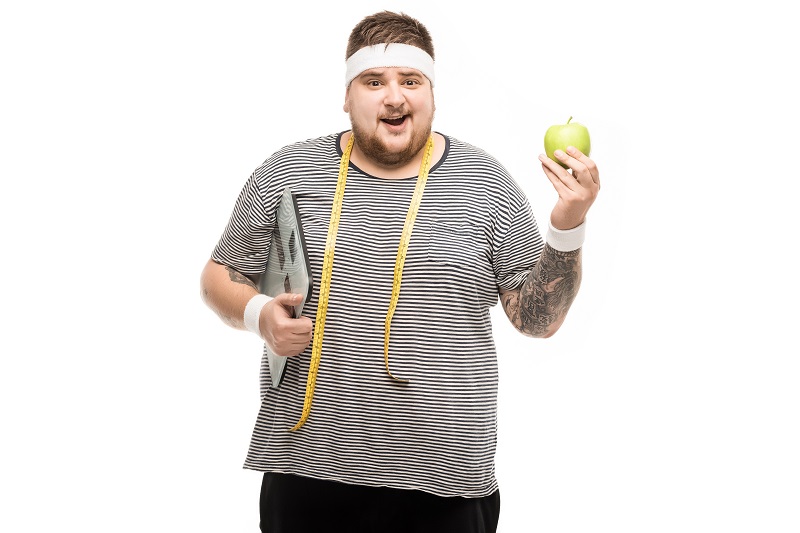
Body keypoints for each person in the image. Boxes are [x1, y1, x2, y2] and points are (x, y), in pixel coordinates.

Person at [200, 10, 600, 533]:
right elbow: (219, 276)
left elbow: (537, 320)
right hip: (306, 472)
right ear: (347, 96)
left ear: (432, 94)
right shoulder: (288, 173)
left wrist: (568, 225)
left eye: (411, 81)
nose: (394, 97)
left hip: (448, 483)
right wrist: (259, 316)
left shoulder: (485, 183)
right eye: (374, 82)